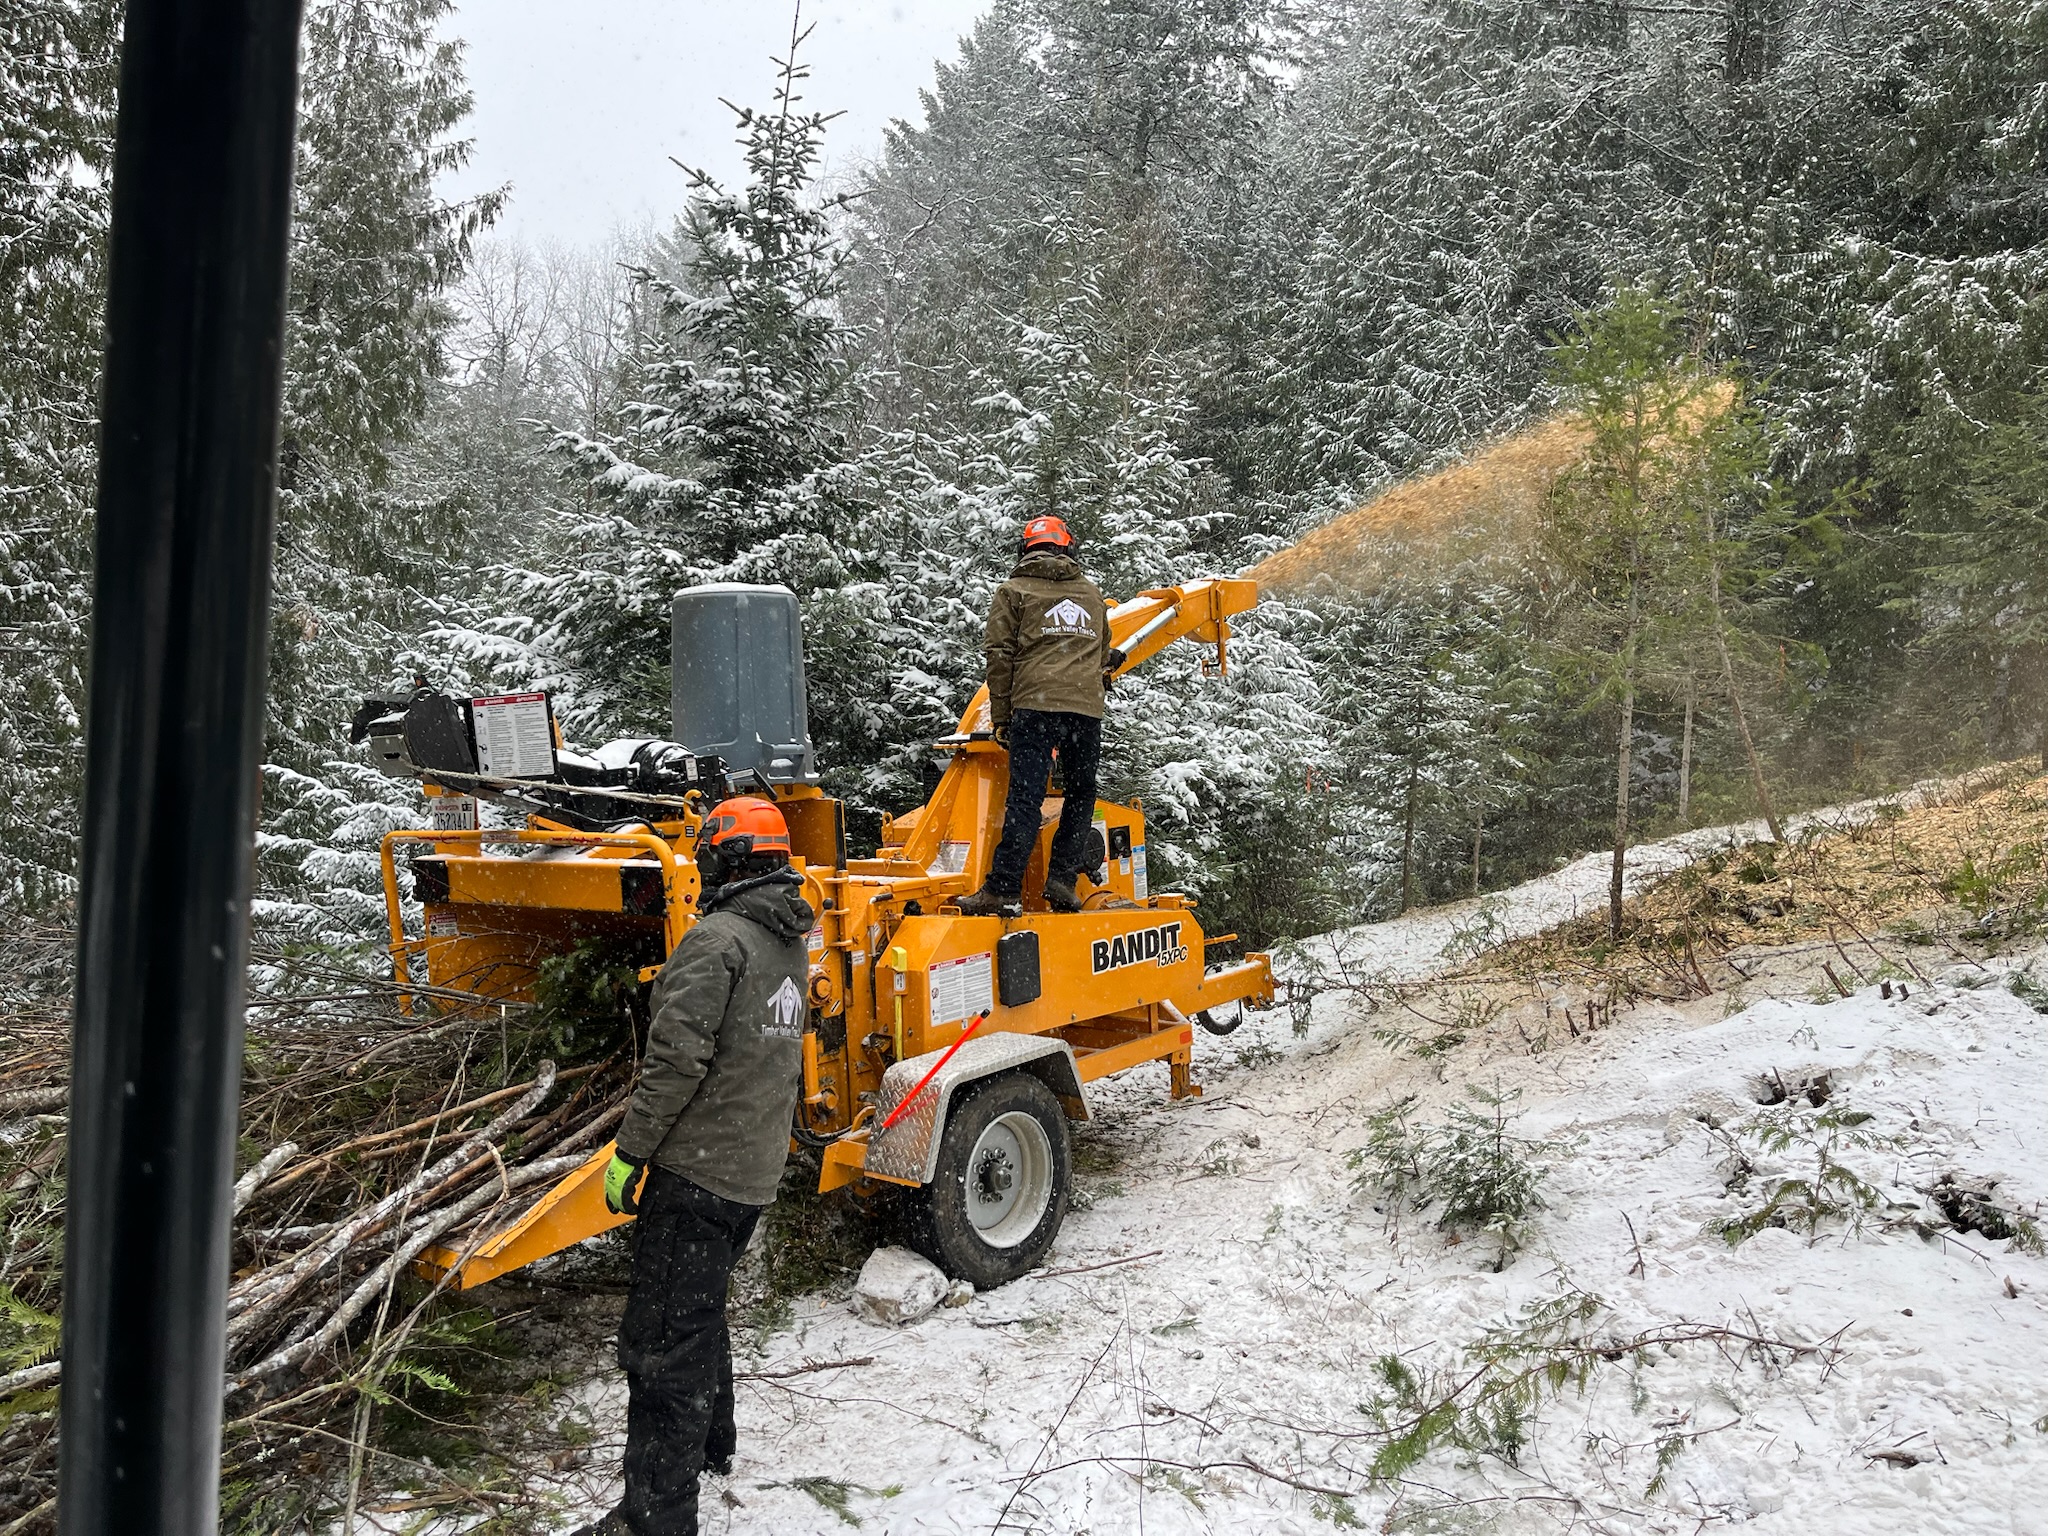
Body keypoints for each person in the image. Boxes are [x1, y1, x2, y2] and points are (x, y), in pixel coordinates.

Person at [575, 797, 814, 1536]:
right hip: (750, 1172)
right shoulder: (788, 938)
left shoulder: (717, 941)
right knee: (699, 1311)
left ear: (726, 859)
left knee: (660, 1346)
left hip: (697, 1174)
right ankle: (714, 1445)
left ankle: (656, 1517)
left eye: (708, 851)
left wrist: (631, 1153)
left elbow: (675, 1062)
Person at [960, 514, 1124, 918]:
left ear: (1026, 550)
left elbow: (1000, 656)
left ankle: (1002, 890)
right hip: (1084, 712)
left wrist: (1002, 717)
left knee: (1026, 797)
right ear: (1067, 548)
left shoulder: (1013, 591)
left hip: (1035, 707)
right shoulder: (1090, 593)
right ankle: (1062, 881)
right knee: (1081, 793)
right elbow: (1102, 653)